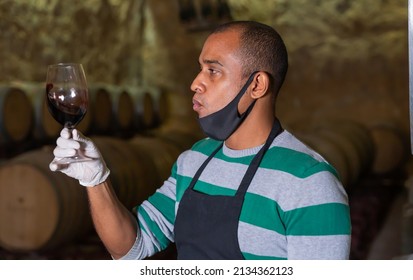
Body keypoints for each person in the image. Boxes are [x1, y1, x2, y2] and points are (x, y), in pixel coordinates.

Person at [50, 20, 351, 260]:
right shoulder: (193, 161)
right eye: (200, 68)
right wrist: (96, 181)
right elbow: (130, 248)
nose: (196, 82)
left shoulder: (309, 182)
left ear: (257, 85)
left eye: (213, 70)